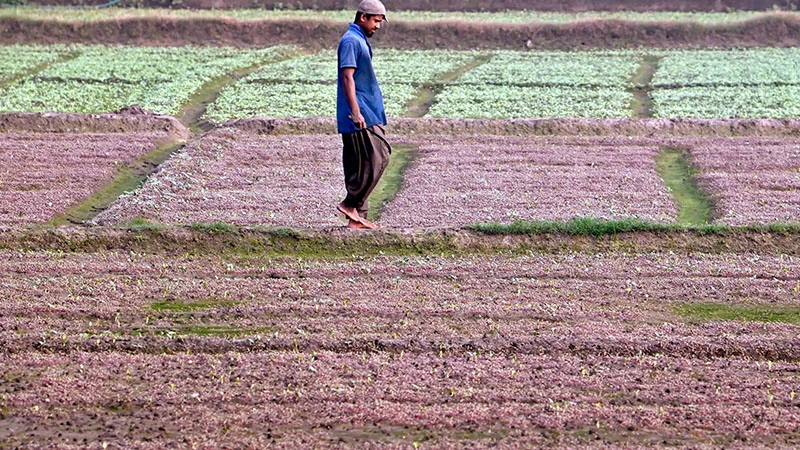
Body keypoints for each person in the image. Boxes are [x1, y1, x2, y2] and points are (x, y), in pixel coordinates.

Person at [336, 0, 392, 230]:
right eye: (376, 21)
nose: (377, 26)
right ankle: (350, 204)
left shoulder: (358, 40)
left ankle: (357, 219)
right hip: (360, 114)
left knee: (361, 163)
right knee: (378, 157)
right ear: (363, 17)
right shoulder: (351, 41)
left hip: (367, 111)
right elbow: (347, 77)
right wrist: (356, 112)